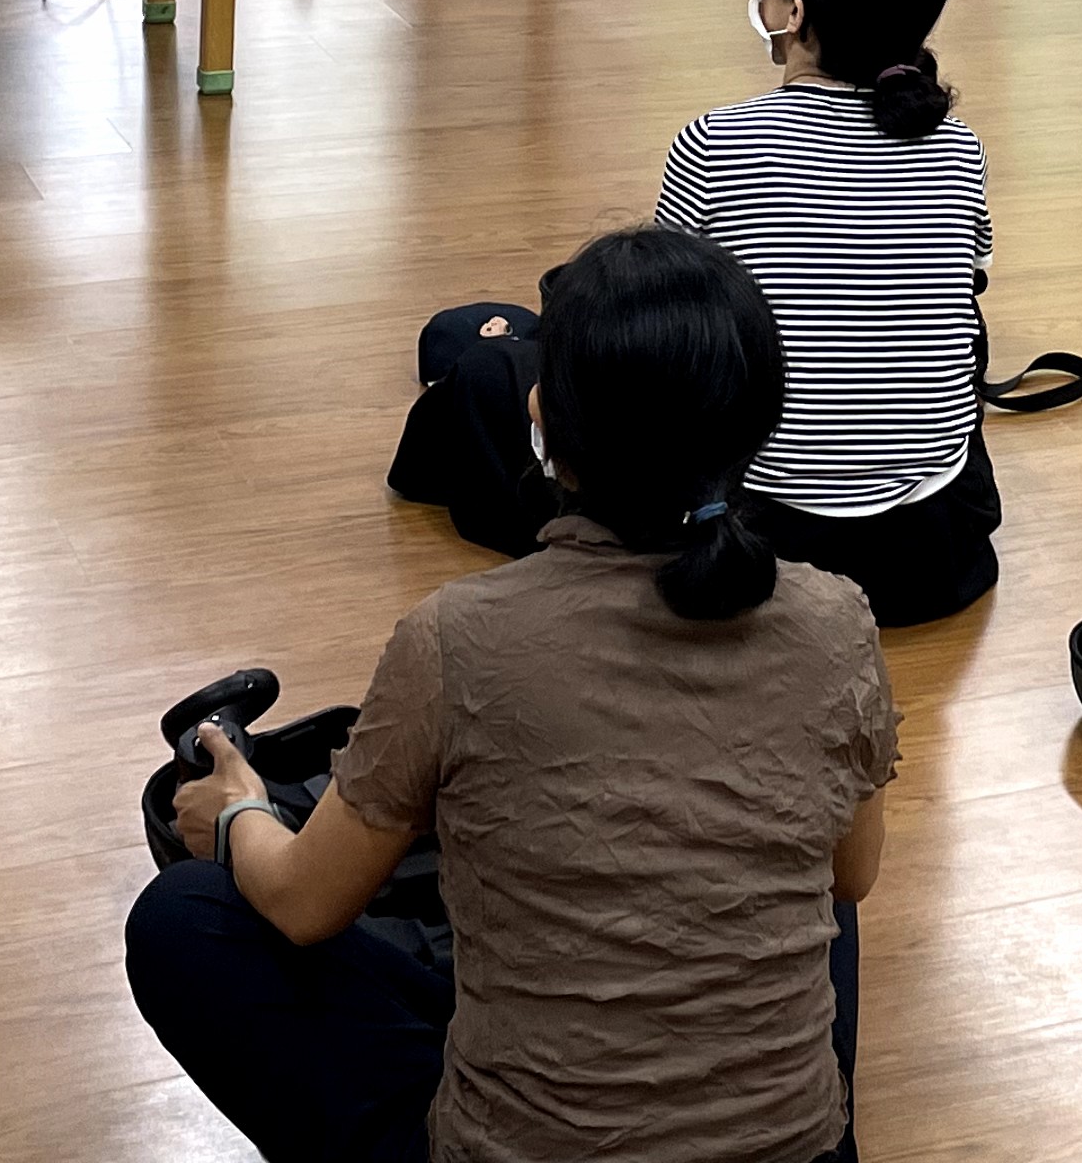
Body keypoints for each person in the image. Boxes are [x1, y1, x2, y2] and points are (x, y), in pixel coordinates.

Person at [133, 226, 897, 1163]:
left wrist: (235, 814)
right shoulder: (836, 622)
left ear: (542, 420)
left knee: (182, 920)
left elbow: (302, 904)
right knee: (816, 864)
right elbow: (853, 877)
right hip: (800, 1150)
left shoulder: (456, 638)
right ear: (760, 423)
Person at [660, 0, 1004, 625]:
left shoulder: (713, 142)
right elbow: (968, 275)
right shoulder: (959, 146)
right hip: (933, 554)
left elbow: (670, 322)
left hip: (766, 542)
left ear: (796, 13)